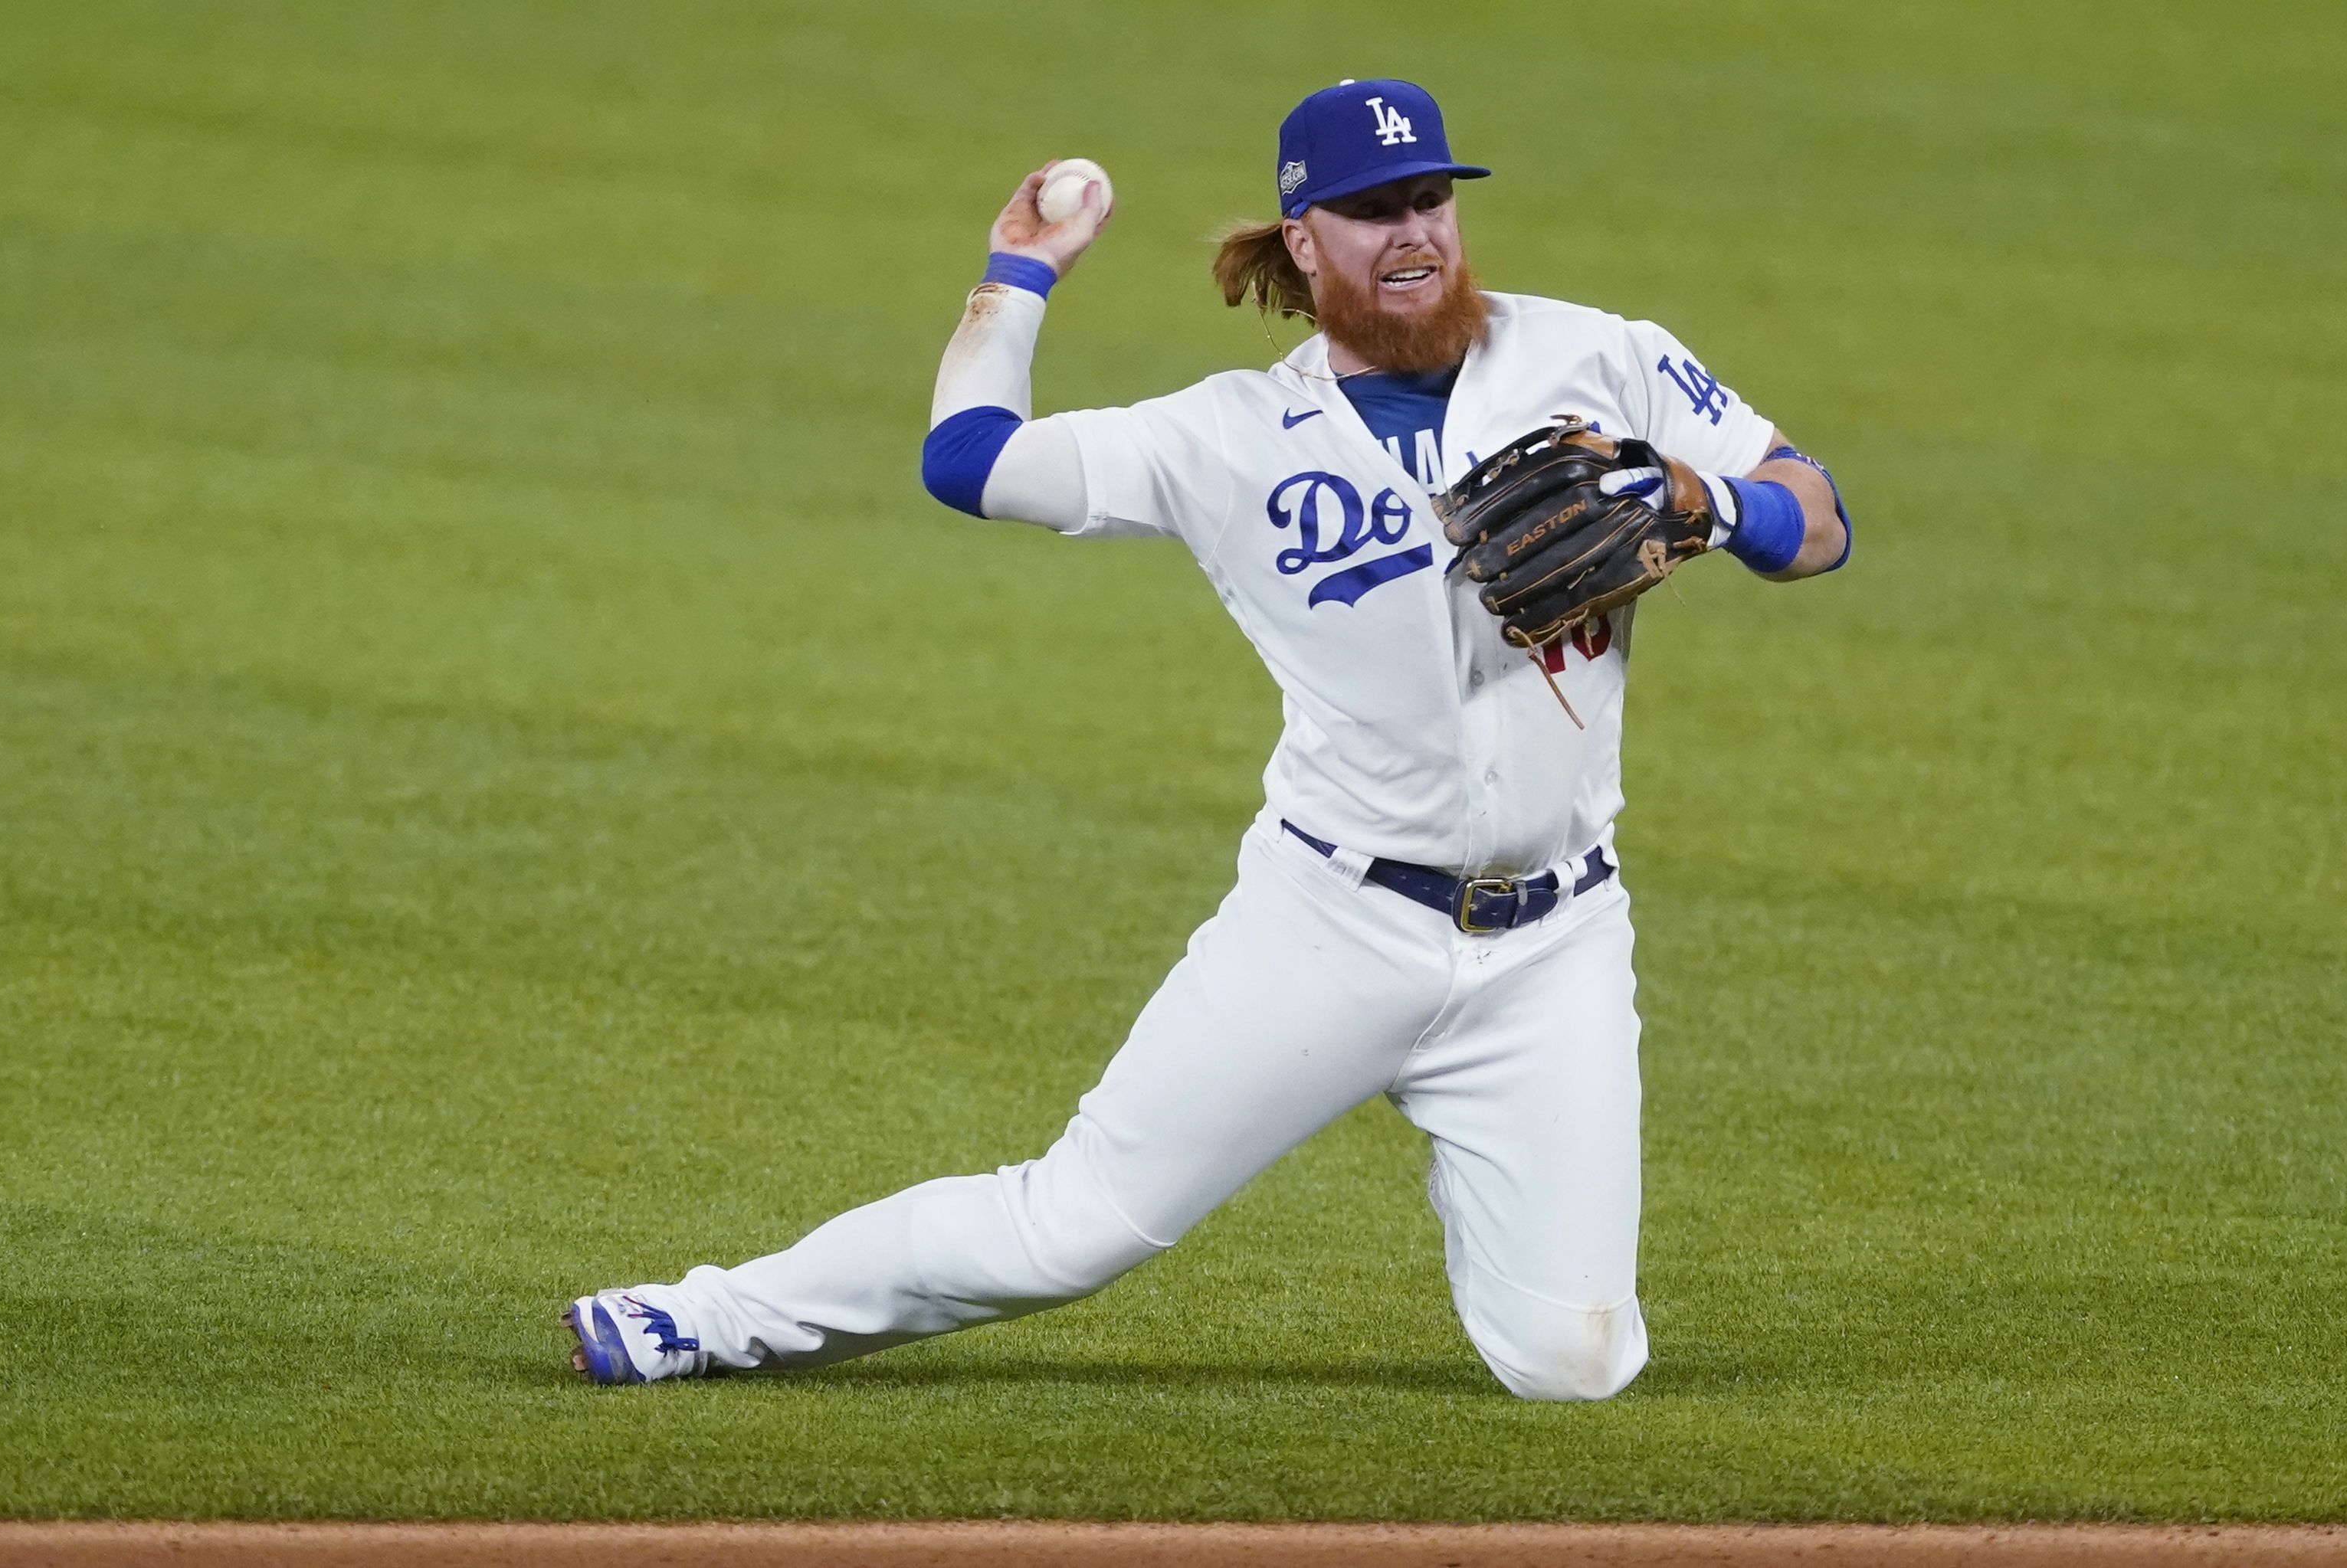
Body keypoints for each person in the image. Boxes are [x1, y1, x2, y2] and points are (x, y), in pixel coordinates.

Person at [565, 77, 1850, 1402]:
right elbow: (970, 461)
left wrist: (1709, 500)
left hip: (1554, 946)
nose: (1413, 233)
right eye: (1369, 212)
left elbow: (1820, 514)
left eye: (1430, 201)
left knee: (1572, 1369)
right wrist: (1016, 275)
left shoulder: (1597, 357)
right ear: (1305, 240)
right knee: (1067, 1230)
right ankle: (705, 1317)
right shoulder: (1227, 438)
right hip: (1333, 922)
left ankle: (1490, 1159)